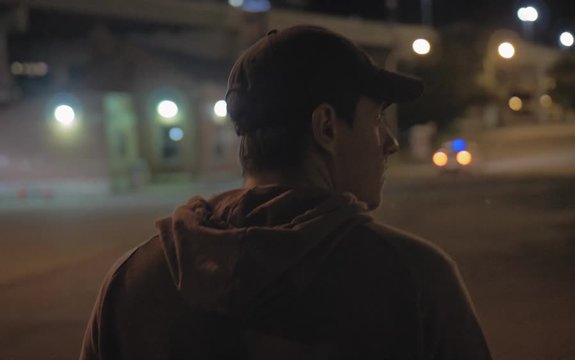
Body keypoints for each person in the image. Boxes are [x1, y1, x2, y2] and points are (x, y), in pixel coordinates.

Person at [80, 25, 492, 360]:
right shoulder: (412, 278)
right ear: (326, 127)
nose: (390, 143)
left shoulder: (130, 282)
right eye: (377, 119)